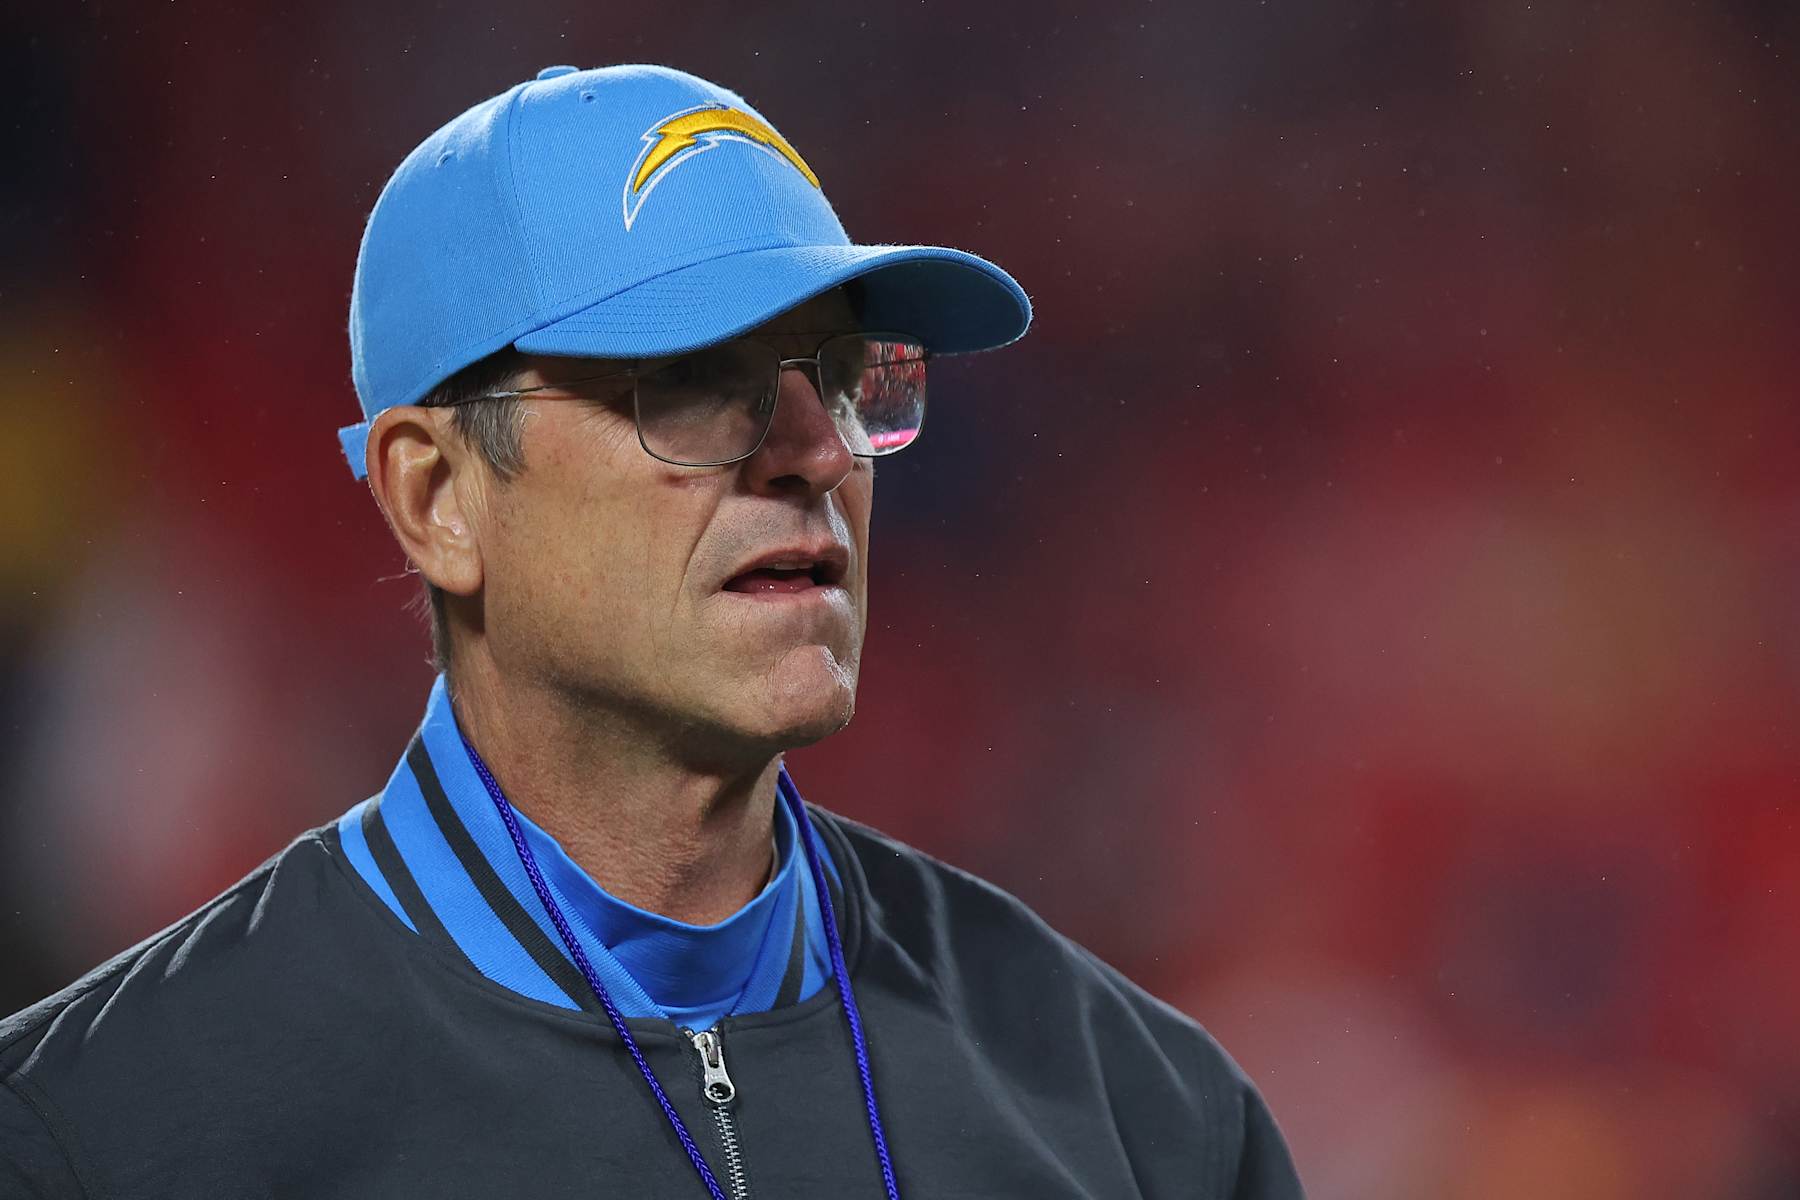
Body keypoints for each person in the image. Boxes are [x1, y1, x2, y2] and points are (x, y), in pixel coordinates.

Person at [0, 64, 1304, 1198]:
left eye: (844, 380)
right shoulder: (98, 1136)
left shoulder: (1138, 1114)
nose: (812, 455)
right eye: (691, 383)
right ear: (437, 497)